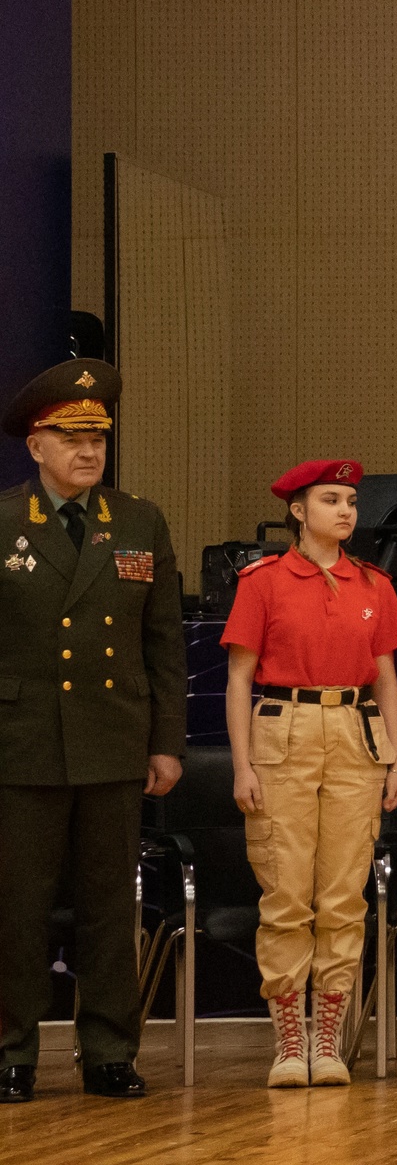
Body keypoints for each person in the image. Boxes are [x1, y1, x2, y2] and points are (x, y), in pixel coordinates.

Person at [0, 359, 183, 1103]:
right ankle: (12, 1050)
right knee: (17, 906)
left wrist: (165, 741)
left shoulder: (137, 520)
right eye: (71, 438)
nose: (88, 451)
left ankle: (109, 1049)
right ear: (35, 446)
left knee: (112, 905)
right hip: (23, 742)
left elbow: (163, 641)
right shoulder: (4, 521)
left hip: (113, 738)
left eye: (97, 439)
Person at [221, 459, 397, 1087]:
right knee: (285, 893)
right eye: (330, 500)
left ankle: (326, 1037)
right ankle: (288, 1041)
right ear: (298, 512)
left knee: (343, 896)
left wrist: (394, 762)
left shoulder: (374, 584)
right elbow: (239, 679)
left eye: (351, 500)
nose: (345, 511)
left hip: (355, 732)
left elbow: (386, 679)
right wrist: (242, 765)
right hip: (285, 730)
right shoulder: (265, 581)